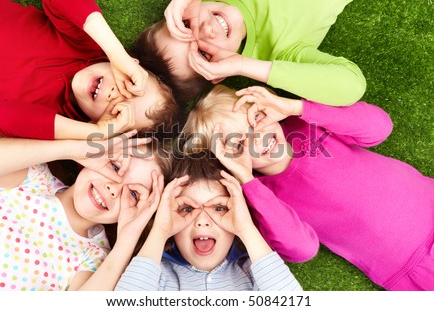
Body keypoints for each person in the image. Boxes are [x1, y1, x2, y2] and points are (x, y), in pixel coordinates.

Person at [178, 84, 434, 291]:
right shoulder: (266, 197)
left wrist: (296, 107)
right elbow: (301, 249)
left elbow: (379, 128)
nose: (258, 137)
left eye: (255, 118)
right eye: (236, 145)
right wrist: (247, 180)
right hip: (412, 267)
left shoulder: (307, 124)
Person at [0, 132, 171, 290]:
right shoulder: (35, 179)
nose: (114, 188)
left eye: (133, 194)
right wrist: (72, 149)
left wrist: (127, 240)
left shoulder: (94, 257)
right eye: (115, 166)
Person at [0, 0, 178, 140]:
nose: (114, 94)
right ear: (133, 65)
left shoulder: (58, 124)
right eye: (129, 85)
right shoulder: (86, 47)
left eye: (118, 111)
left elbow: (4, 115)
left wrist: (95, 131)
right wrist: (116, 53)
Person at [132, 0, 367, 104]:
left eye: (186, 25)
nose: (206, 30)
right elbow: (351, 86)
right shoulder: (282, 52)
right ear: (219, 71)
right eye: (203, 53)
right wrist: (247, 66)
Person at [115, 154, 302, 291]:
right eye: (187, 209)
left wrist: (246, 229)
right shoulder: (156, 275)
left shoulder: (252, 275)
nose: (202, 221)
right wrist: (161, 230)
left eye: (219, 208)